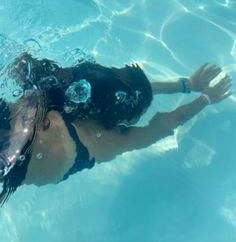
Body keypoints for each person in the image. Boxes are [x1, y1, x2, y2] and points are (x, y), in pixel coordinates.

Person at [0, 53, 232, 206]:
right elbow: (165, 121)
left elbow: (115, 90)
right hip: (15, 163)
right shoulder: (103, 141)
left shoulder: (69, 101)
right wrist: (202, 96)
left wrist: (189, 87)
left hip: (15, 142)